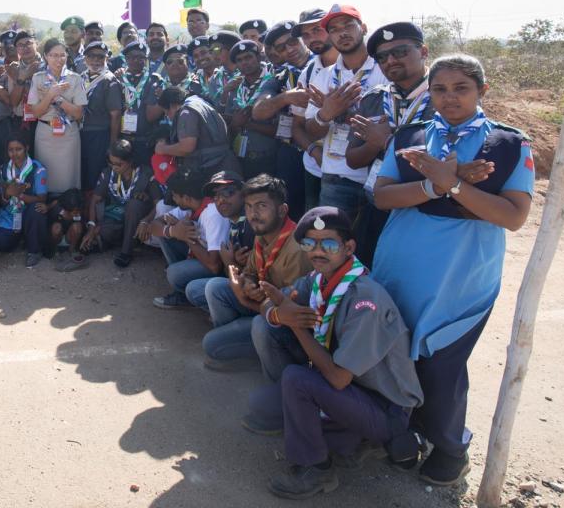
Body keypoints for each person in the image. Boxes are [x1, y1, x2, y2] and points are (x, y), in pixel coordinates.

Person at [370, 54, 534, 486]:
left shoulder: (508, 143)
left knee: (443, 363)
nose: (449, 98)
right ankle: (403, 431)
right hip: (402, 263)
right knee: (396, 351)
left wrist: (454, 184)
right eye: (440, 89)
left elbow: (513, 216)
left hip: (462, 272)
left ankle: (449, 447)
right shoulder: (411, 136)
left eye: (461, 88)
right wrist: (433, 184)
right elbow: (383, 197)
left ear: (482, 90)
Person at [251, 207, 423, 499]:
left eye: (329, 244)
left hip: (383, 406)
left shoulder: (365, 300)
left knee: (295, 379)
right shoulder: (318, 280)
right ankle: (339, 435)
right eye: (310, 244)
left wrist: (295, 325)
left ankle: (318, 468)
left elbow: (339, 378)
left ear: (349, 248)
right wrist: (278, 313)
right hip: (351, 391)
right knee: (262, 407)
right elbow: (273, 302)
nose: (318, 252)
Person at [345, 22, 436, 266]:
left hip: (425, 208)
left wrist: (386, 141)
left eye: (400, 52)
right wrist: (374, 145)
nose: (391, 61)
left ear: (423, 52)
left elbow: (449, 158)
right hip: (377, 206)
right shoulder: (373, 99)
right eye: (382, 57)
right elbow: (352, 159)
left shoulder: (443, 97)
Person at [202, 175, 303, 368]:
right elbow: (249, 272)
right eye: (248, 207)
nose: (253, 214)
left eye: (261, 206)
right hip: (263, 306)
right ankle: (255, 347)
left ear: (282, 210)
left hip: (287, 323)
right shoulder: (262, 233)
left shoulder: (297, 250)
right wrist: (247, 283)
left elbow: (291, 311)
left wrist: (245, 298)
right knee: (215, 287)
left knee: (221, 341)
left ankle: (278, 371)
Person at [302, 5, 388, 221]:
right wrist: (325, 114)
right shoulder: (324, 75)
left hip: (380, 176)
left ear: (363, 28)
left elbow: (392, 125)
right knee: (332, 238)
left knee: (372, 241)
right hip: (336, 177)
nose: (342, 33)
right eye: (334, 29)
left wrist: (341, 113)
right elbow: (311, 130)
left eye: (348, 25)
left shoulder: (385, 69)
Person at [253, 21, 313, 220]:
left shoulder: (327, 66)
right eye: (281, 47)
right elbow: (258, 111)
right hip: (294, 153)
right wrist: (286, 97)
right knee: (294, 211)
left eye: (293, 42)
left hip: (331, 151)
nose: (289, 49)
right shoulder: (281, 76)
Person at [148, 169, 234, 310]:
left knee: (174, 274)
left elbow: (215, 266)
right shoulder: (190, 206)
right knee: (166, 234)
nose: (173, 199)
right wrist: (173, 231)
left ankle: (189, 296)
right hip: (201, 254)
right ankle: (182, 292)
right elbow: (155, 225)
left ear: (187, 198)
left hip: (220, 269)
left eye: (175, 196)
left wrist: (186, 237)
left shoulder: (213, 214)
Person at [80, 139, 158, 269]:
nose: (114, 167)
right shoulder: (108, 173)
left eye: (118, 164)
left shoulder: (146, 174)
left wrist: (146, 220)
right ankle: (104, 241)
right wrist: (92, 226)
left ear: (130, 161)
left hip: (138, 220)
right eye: (110, 163)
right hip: (116, 216)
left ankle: (126, 251)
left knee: (134, 205)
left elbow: (159, 204)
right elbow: (95, 199)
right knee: (104, 230)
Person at [26, 38, 87, 194]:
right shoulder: (37, 78)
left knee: (68, 178)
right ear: (46, 56)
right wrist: (50, 95)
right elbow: (36, 112)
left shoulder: (75, 78)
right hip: (45, 133)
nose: (58, 59)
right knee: (46, 176)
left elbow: (78, 113)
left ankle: (69, 204)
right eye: (53, 55)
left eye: (62, 55)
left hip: (68, 133)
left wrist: (58, 98)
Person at [292, 9, 339, 210]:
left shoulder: (360, 66)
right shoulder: (308, 73)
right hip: (315, 169)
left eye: (317, 30)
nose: (312, 38)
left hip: (355, 171)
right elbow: (297, 126)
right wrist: (314, 152)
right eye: (305, 35)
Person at [220, 40, 279, 180]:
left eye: (248, 57)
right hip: (241, 157)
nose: (244, 63)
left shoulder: (274, 82)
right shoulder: (236, 87)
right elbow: (230, 123)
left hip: (269, 158)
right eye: (239, 60)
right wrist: (234, 124)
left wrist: (247, 124)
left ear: (258, 57)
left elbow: (281, 131)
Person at [156, 86, 240, 179]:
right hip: (226, 165)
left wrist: (163, 149)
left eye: (166, 112)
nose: (167, 116)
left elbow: (186, 147)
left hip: (213, 169)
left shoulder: (186, 112)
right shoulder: (199, 102)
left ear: (172, 105)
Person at [0, 136, 50, 268]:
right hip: (10, 214)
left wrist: (19, 195)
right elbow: (0, 201)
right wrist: (7, 194)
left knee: (37, 209)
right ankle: (21, 239)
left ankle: (34, 251)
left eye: (18, 149)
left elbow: (42, 198)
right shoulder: (3, 169)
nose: (15, 154)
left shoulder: (38, 169)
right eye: (11, 150)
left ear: (27, 148)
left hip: (28, 213)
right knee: (1, 243)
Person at [79, 40, 123, 203]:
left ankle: (93, 211)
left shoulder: (109, 80)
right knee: (82, 174)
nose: (96, 60)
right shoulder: (81, 77)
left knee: (94, 176)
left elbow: (115, 115)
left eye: (100, 57)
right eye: (91, 56)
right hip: (80, 133)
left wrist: (112, 145)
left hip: (99, 135)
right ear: (85, 59)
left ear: (107, 59)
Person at [116, 40, 165, 165]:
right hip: (123, 138)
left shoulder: (154, 80)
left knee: (144, 171)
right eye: (132, 57)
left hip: (145, 139)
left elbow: (151, 115)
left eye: (141, 57)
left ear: (146, 59)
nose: (137, 60)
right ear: (126, 59)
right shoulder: (118, 79)